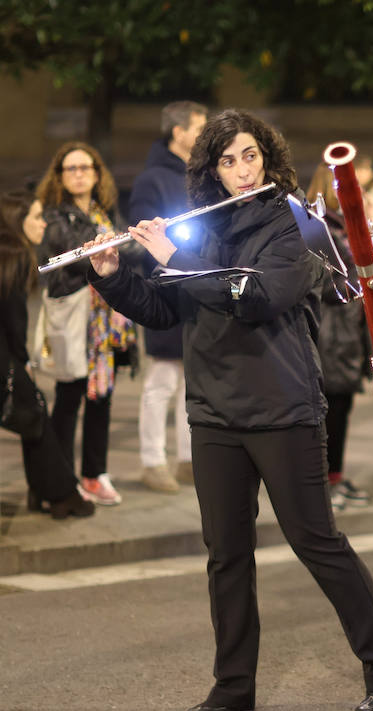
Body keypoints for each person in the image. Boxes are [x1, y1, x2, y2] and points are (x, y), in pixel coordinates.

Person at [87, 108, 373, 711]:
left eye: (251, 156)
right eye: (228, 159)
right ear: (211, 168)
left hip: (282, 406)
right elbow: (165, 311)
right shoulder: (201, 227)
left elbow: (257, 297)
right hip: (214, 412)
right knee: (226, 553)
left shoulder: (292, 224)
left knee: (316, 542)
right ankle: (234, 685)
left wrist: (175, 263)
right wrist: (112, 276)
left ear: (267, 159)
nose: (241, 169)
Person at [0, 191, 94, 520]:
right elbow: (13, 320)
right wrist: (24, 365)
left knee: (32, 415)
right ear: (15, 221)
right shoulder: (14, 254)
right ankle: (62, 495)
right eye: (35, 216)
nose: (42, 223)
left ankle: (45, 493)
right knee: (33, 411)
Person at [35, 141, 134, 507]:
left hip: (105, 322)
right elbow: (76, 256)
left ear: (96, 174)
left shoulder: (103, 212)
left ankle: (95, 474)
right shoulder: (53, 216)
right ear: (60, 176)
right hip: (75, 317)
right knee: (69, 396)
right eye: (71, 168)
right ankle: (62, 477)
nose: (79, 174)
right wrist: (110, 246)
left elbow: (129, 248)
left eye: (85, 167)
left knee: (101, 396)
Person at [128, 100, 207, 494]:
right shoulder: (152, 179)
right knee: (162, 379)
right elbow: (142, 238)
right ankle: (152, 460)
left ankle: (187, 459)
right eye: (198, 127)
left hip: (198, 284)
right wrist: (171, 259)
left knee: (191, 378)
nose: (203, 135)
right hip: (167, 288)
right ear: (178, 133)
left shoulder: (200, 174)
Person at [303, 163, 372, 511]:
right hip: (330, 334)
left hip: (347, 332)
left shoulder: (343, 228)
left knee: (341, 410)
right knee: (330, 412)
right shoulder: (320, 230)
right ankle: (325, 483)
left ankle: (336, 477)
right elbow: (329, 285)